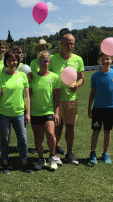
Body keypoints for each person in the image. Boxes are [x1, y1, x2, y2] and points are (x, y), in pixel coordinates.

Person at [0, 50, 32, 174]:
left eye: (14, 60)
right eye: (9, 60)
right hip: (4, 113)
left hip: (19, 113)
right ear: (5, 62)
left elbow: (27, 96)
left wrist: (27, 113)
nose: (12, 62)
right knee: (5, 139)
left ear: (18, 61)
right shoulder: (0, 77)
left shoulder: (22, 76)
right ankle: (5, 164)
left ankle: (24, 163)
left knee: (22, 138)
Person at [48, 33, 84, 165]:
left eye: (72, 43)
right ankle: (55, 153)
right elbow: (47, 75)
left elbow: (81, 78)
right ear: (61, 44)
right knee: (57, 127)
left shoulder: (78, 59)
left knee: (70, 127)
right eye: (67, 43)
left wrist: (77, 85)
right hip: (56, 100)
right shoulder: (53, 59)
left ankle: (69, 154)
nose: (70, 46)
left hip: (71, 100)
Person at [29, 51, 60, 171]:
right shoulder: (32, 77)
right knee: (38, 136)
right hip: (35, 112)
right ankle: (41, 159)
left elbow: (57, 98)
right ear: (37, 63)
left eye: (45, 61)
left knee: (50, 134)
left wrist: (57, 113)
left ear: (49, 62)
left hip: (49, 111)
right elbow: (28, 96)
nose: (43, 63)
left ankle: (52, 157)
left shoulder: (54, 77)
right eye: (41, 61)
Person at [88, 52, 113, 164]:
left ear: (111, 60)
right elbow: (92, 93)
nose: (105, 61)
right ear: (99, 61)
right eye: (103, 59)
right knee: (96, 131)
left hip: (110, 109)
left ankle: (105, 153)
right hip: (97, 109)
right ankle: (93, 153)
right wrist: (89, 108)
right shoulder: (95, 76)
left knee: (107, 131)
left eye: (107, 58)